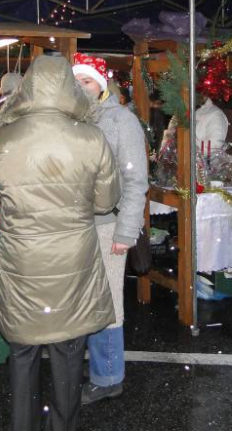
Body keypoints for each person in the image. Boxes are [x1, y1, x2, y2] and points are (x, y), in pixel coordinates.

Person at [0, 55, 121, 431]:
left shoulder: (5, 136)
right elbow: (106, 202)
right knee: (68, 353)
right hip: (73, 262)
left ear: (29, 86)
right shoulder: (90, 136)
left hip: (23, 263)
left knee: (22, 352)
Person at [71, 53, 149, 405]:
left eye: (86, 81)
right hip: (74, 226)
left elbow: (135, 181)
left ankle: (108, 376)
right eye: (75, 81)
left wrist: (126, 233)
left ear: (101, 85)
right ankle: (97, 364)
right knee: (84, 299)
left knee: (108, 302)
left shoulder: (121, 121)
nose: (80, 87)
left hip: (108, 225)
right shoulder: (70, 119)